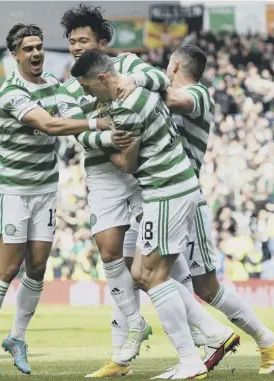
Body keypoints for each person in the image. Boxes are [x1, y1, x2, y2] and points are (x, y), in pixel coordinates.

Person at [0, 23, 112, 378]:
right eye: (28, 48)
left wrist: (97, 107)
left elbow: (75, 114)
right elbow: (51, 125)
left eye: (39, 46)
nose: (36, 53)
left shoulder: (51, 83)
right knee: (6, 269)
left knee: (36, 268)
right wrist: (99, 125)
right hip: (13, 190)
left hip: (45, 189)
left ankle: (17, 337)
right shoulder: (11, 92)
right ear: (15, 54)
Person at [72, 49, 217, 380]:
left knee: (152, 276)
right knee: (141, 271)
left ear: (103, 78)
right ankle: (205, 339)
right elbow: (158, 77)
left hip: (166, 191)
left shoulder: (127, 109)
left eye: (87, 87)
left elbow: (127, 164)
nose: (85, 94)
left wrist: (98, 142)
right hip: (170, 189)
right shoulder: (142, 89)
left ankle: (194, 356)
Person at [58, 4, 171, 376]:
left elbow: (160, 80)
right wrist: (105, 130)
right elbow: (75, 131)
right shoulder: (67, 85)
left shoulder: (127, 64)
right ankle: (126, 347)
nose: (76, 47)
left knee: (156, 267)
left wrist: (130, 85)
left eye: (83, 40)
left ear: (102, 42)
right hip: (104, 174)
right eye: (72, 41)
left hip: (143, 173)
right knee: (111, 255)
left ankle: (204, 341)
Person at [164, 45, 274, 374]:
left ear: (174, 65)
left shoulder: (199, 94)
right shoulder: (171, 99)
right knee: (164, 281)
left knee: (204, 287)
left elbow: (174, 100)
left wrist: (136, 82)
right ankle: (195, 355)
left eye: (166, 66)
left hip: (188, 201)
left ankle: (265, 338)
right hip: (166, 200)